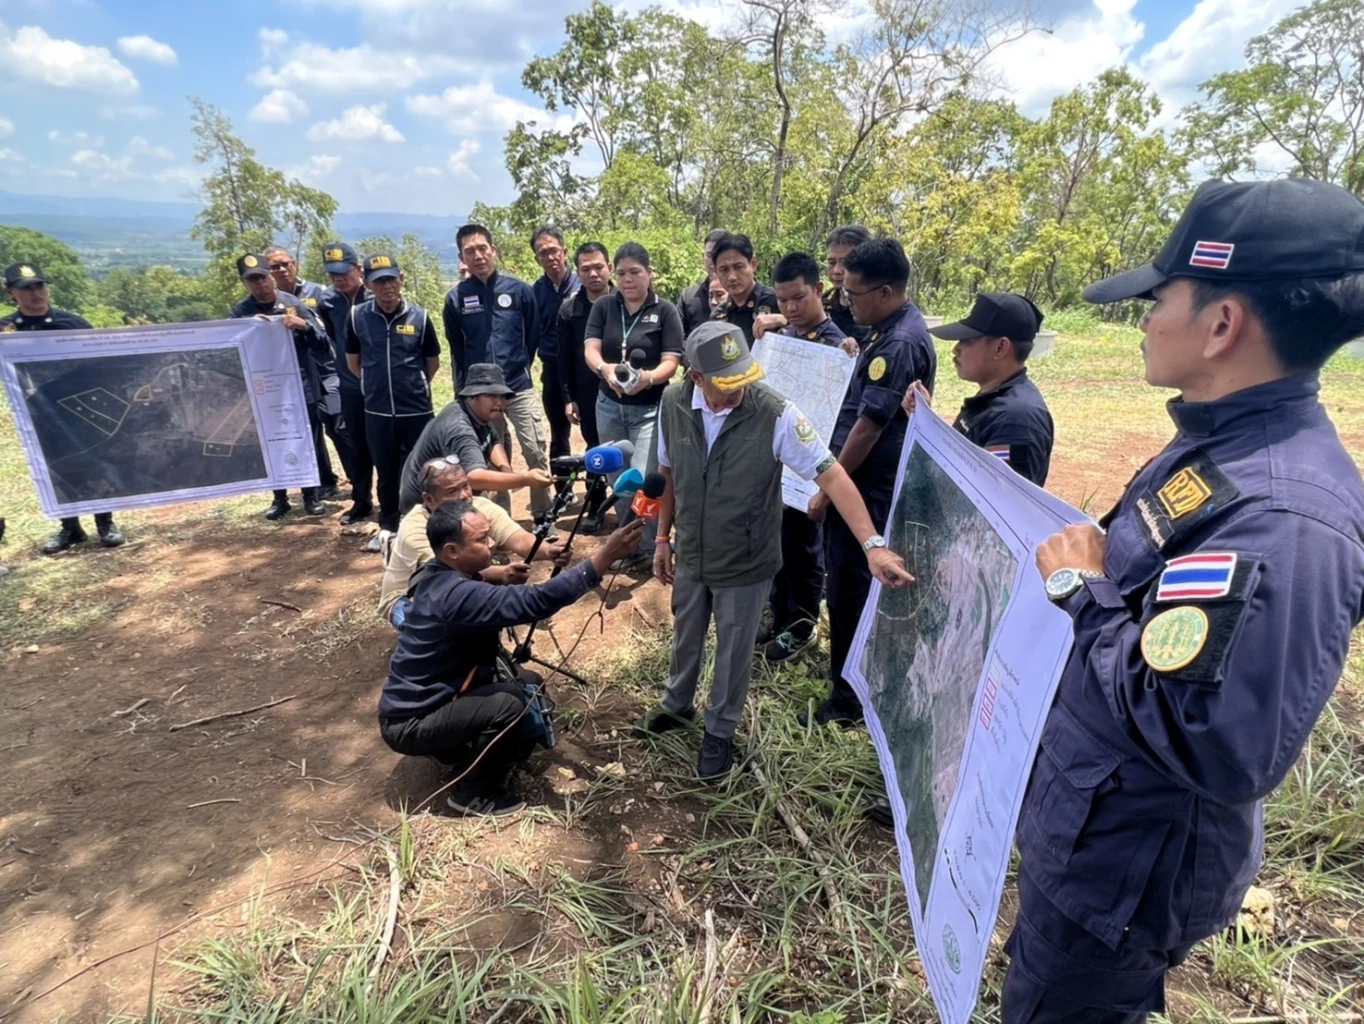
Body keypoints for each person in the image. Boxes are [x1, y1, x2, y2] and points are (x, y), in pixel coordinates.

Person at [1001, 178, 1364, 1022]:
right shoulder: (1220, 439)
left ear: (1222, 324)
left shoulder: (1283, 517)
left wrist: (1081, 593)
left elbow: (1218, 741)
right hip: (1087, 822)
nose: (1143, 320)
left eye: (1157, 299)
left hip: (1123, 867)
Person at [640, 322, 914, 780]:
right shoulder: (672, 404)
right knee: (686, 632)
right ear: (695, 377)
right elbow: (666, 473)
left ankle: (720, 731)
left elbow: (832, 476)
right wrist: (664, 539)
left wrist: (872, 544)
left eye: (744, 379)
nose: (739, 393)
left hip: (746, 559)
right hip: (693, 553)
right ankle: (676, 704)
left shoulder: (775, 413)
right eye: (726, 385)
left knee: (733, 648)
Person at [378, 504, 645, 816]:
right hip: (410, 724)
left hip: (418, 709)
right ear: (452, 550)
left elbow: (477, 579)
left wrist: (499, 576)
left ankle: (453, 750)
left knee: (527, 683)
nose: (492, 544)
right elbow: (539, 600)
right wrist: (604, 557)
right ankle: (472, 793)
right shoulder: (457, 596)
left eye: (490, 535)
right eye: (482, 540)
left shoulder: (434, 574)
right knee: (509, 704)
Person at [805, 238, 935, 727]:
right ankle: (849, 678)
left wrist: (828, 485)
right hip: (863, 482)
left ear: (884, 291)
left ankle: (848, 701)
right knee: (845, 587)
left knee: (851, 589)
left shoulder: (899, 343)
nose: (846, 302)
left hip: (867, 487)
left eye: (854, 294)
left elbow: (870, 424)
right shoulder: (887, 330)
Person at [754, 252, 853, 663]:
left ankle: (803, 623)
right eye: (782, 301)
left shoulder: (840, 346)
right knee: (778, 544)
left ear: (818, 291)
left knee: (805, 550)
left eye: (798, 298)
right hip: (777, 467)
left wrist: (852, 358)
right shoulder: (783, 342)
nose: (790, 308)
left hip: (813, 470)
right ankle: (781, 615)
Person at [1, 263, 125, 553]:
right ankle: (70, 528)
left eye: (40, 286)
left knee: (94, 459)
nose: (36, 293)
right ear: (11, 293)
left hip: (79, 408)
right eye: (26, 288)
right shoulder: (5, 330)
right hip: (36, 412)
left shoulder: (73, 325)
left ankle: (105, 523)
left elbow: (100, 365)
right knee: (54, 467)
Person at [582, 242, 684, 571]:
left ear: (649, 274)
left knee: (642, 477)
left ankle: (648, 543)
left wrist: (649, 378)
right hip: (609, 405)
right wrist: (605, 370)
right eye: (622, 273)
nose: (628, 279)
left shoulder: (665, 310)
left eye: (635, 272)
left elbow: (672, 361)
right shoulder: (604, 308)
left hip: (650, 410)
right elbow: (592, 349)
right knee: (619, 480)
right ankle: (629, 544)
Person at [443, 224, 553, 527]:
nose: (478, 256)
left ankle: (544, 515)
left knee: (535, 447)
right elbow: (457, 350)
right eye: (470, 251)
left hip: (517, 385)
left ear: (494, 250)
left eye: (482, 248)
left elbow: (531, 337)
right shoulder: (456, 299)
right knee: (491, 455)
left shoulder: (519, 291)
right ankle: (499, 518)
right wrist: (464, 393)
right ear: (462, 257)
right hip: (478, 395)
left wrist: (518, 367)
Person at [379, 456, 569, 629]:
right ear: (429, 499)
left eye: (465, 486)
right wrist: (502, 573)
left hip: (455, 587)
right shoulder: (415, 527)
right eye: (453, 491)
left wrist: (549, 550)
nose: (464, 495)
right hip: (406, 597)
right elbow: (450, 573)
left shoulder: (478, 506)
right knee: (431, 632)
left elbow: (519, 538)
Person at [907, 291, 1054, 487]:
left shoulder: (1018, 421)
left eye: (967, 340)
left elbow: (992, 500)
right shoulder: (995, 399)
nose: (956, 349)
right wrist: (924, 418)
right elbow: (961, 466)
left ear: (1000, 348)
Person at [344, 254, 440, 537]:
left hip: (417, 409)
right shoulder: (357, 316)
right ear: (368, 284)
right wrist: (374, 385)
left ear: (401, 280)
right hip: (377, 410)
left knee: (424, 470)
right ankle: (389, 525)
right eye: (379, 281)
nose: (387, 286)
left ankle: (426, 524)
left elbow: (431, 362)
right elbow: (353, 362)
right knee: (386, 472)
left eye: (391, 279)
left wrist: (412, 384)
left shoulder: (419, 316)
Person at [230, 252, 331, 519]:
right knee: (272, 442)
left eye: (262, 277)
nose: (259, 284)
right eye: (252, 280)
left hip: (301, 387)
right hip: (265, 390)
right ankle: (280, 498)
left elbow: (323, 345)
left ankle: (311, 496)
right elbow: (232, 352)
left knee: (306, 440)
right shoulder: (240, 313)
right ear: (244, 282)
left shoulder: (293, 304)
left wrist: (304, 326)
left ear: (270, 276)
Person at [396, 364, 554, 515]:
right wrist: (525, 479)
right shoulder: (459, 428)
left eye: (502, 396)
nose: (499, 401)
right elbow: (474, 477)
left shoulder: (476, 412)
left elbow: (492, 441)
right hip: (425, 506)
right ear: (472, 396)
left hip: (448, 491)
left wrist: (505, 469)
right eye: (491, 395)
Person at [267, 244, 340, 499]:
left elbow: (329, 331)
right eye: (275, 266)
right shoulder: (268, 303)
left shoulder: (318, 293)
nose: (282, 269)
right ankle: (323, 480)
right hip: (292, 376)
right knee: (307, 429)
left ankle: (356, 479)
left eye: (286, 263)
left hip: (327, 371)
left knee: (336, 425)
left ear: (294, 263)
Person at [317, 241, 375, 524]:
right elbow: (334, 339)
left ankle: (398, 500)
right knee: (356, 444)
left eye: (343, 272)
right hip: (349, 384)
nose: (338, 279)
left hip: (379, 383)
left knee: (388, 444)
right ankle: (362, 500)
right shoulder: (326, 302)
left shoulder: (375, 294)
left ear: (358, 269)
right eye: (332, 274)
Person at [558, 242, 614, 530]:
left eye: (598, 267)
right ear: (577, 272)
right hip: (588, 393)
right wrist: (569, 398)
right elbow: (564, 359)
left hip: (625, 394)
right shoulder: (569, 311)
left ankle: (629, 510)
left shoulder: (626, 302)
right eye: (586, 269)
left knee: (626, 452)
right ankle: (595, 507)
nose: (593, 274)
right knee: (595, 451)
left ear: (609, 268)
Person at [529, 226, 579, 470]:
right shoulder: (534, 293)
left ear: (565, 251)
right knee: (559, 433)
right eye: (543, 253)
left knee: (595, 431)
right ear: (537, 259)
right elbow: (529, 334)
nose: (550, 257)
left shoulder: (585, 284)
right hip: (552, 370)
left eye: (553, 250)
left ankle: (597, 490)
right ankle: (563, 491)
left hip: (585, 369)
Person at [709, 233, 778, 343]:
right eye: (724, 269)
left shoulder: (777, 301)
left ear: (753, 264)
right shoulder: (718, 315)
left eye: (738, 267)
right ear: (716, 271)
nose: (732, 277)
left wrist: (784, 320)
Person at [823, 225, 872, 342]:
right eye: (831, 262)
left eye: (845, 263)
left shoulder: (874, 307)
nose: (837, 271)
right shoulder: (823, 303)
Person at [678, 228, 728, 337]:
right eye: (710, 255)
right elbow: (677, 340)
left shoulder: (744, 293)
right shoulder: (688, 297)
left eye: (719, 253)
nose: (714, 260)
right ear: (703, 257)